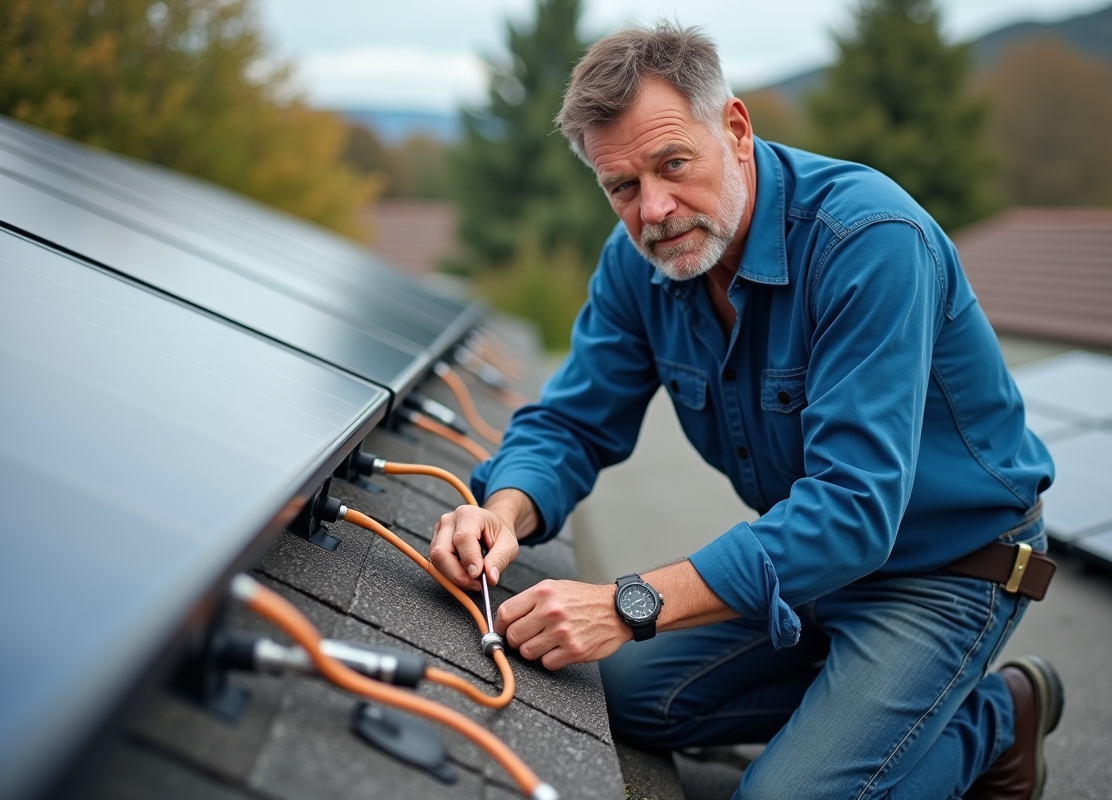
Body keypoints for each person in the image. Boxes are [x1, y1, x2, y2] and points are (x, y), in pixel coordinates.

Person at [429, 21, 1063, 800]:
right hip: (808, 569)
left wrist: (632, 605)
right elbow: (572, 421)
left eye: (672, 165)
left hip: (944, 570)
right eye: (622, 187)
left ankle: (995, 716)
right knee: (622, 697)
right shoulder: (637, 266)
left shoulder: (868, 241)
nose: (654, 210)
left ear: (734, 129)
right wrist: (504, 509)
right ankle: (878, 721)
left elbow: (854, 510)